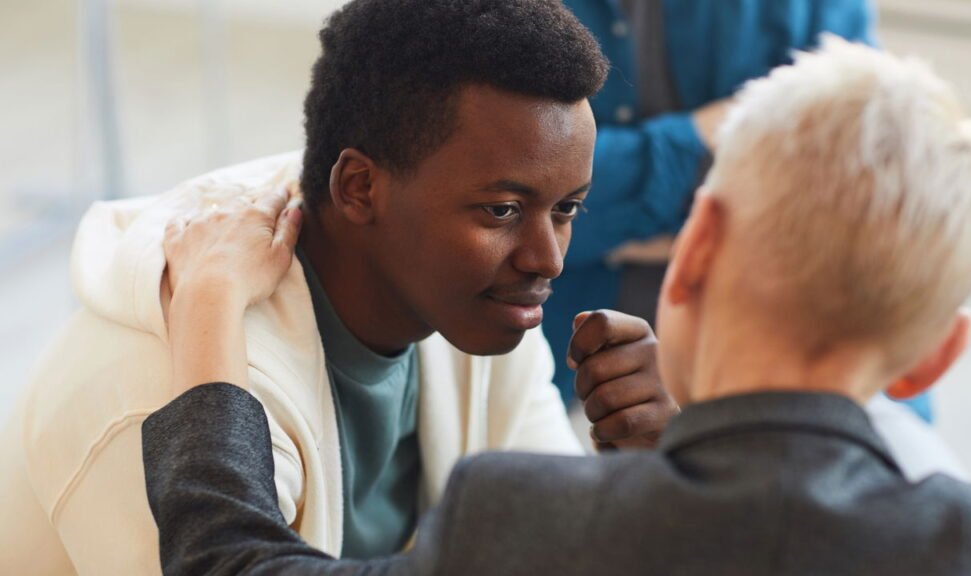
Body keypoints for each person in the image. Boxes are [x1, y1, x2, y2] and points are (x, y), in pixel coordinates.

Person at [141, 37, 971, 575]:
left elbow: (232, 564)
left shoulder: (524, 521)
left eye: (568, 211)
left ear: (696, 248)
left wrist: (211, 302)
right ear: (936, 356)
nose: (551, 258)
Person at [0, 2, 683, 573]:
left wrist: (647, 474)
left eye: (567, 208)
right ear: (358, 187)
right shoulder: (161, 403)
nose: (548, 260)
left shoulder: (473, 305)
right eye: (502, 210)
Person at [546, 0, 936, 422]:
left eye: (702, 232)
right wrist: (698, 145)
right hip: (561, 357)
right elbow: (524, 199)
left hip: (796, 354)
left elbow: (859, 189)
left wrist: (612, 214)